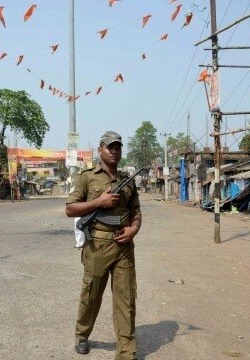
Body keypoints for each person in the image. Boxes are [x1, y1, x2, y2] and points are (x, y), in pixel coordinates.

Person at [65, 131, 142, 359]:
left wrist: (133, 229)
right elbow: (70, 209)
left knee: (126, 299)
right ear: (100, 150)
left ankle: (127, 352)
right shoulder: (87, 177)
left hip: (124, 246)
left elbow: (136, 212)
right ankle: (82, 334)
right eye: (110, 147)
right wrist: (99, 202)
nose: (115, 151)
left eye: (118, 147)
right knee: (91, 295)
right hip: (97, 245)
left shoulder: (127, 179)